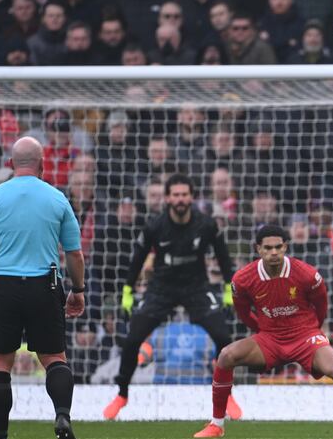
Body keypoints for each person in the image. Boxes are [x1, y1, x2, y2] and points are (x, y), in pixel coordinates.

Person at [193, 225, 333, 438]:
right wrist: (261, 331)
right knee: (226, 355)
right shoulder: (243, 279)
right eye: (268, 248)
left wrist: (315, 331)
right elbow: (243, 312)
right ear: (258, 249)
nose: (274, 252)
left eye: (278, 247)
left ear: (286, 247)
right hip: (270, 338)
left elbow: (321, 305)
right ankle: (217, 425)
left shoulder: (306, 274)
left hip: (305, 336)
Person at [0, 136, 85, 439]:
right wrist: (78, 290)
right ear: (43, 165)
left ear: (11, 164)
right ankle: (62, 416)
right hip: (46, 285)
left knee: (0, 362)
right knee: (54, 358)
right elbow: (74, 253)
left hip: (4, 286)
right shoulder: (58, 199)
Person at [103, 173, 240, 420]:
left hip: (196, 286)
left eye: (184, 195)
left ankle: (227, 394)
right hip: (161, 288)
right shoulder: (155, 226)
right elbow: (136, 260)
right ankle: (122, 394)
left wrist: (229, 293)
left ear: (192, 197)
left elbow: (224, 258)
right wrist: (127, 292)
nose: (180, 199)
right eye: (175, 195)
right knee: (133, 338)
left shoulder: (206, 224)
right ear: (167, 198)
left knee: (223, 337)